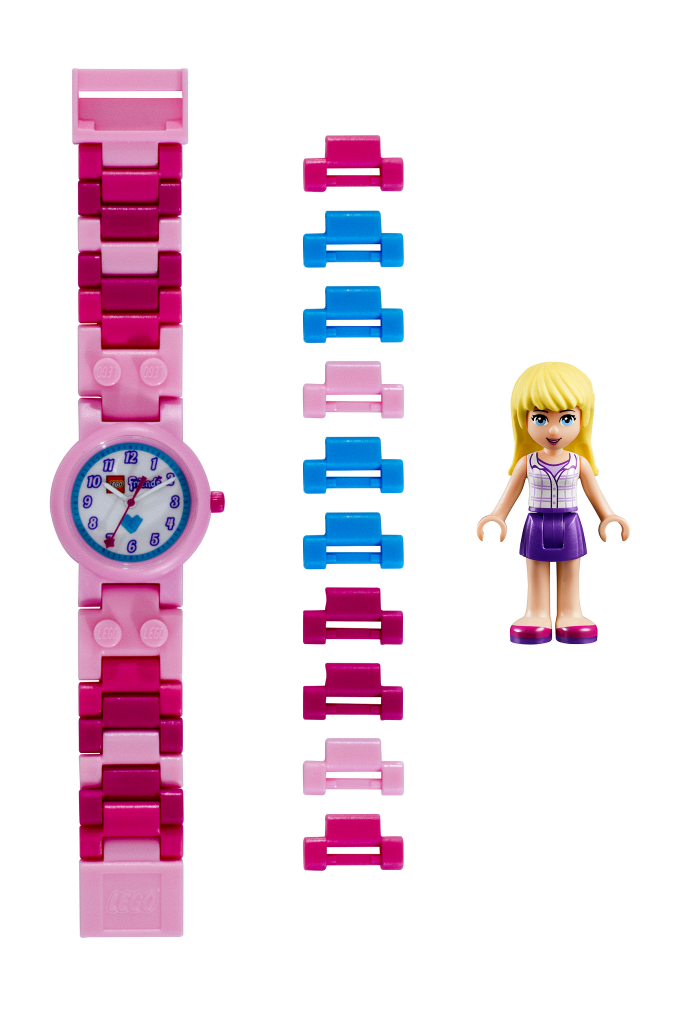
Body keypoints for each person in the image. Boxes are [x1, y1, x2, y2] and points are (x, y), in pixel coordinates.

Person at [477, 361, 629, 644]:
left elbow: (594, 493)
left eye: (567, 419)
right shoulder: (527, 463)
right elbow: (510, 494)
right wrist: (497, 516)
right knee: (536, 567)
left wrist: (608, 516)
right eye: (540, 418)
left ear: (583, 419)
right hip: (536, 522)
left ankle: (570, 613)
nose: (555, 430)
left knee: (570, 567)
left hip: (570, 522)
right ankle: (537, 613)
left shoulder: (579, 463)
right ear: (524, 420)